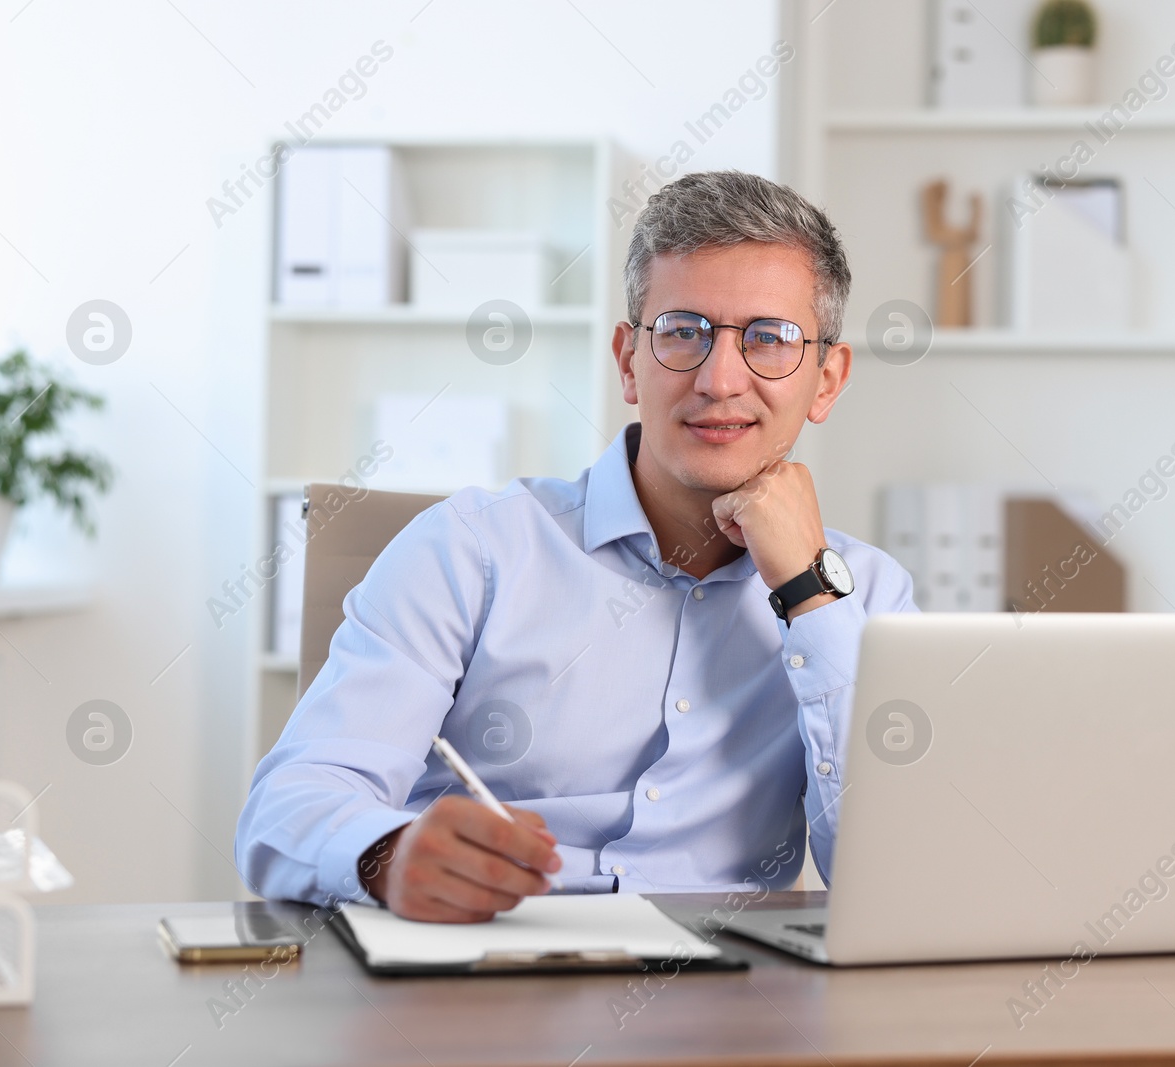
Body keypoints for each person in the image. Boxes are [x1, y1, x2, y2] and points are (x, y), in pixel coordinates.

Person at [235, 170, 918, 922]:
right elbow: (285, 810)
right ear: (629, 360)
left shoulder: (869, 598)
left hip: (732, 1012)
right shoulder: (470, 550)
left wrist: (809, 594)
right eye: (684, 332)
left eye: (770, 339)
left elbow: (897, 879)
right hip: (485, 990)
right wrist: (385, 851)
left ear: (827, 378)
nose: (722, 379)